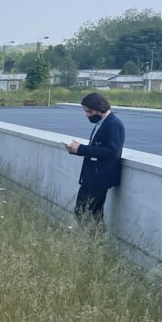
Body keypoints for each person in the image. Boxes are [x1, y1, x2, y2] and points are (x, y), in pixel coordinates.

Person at [65, 92, 124, 224]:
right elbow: (99, 149)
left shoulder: (113, 124)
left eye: (89, 111)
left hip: (99, 178)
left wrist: (81, 149)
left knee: (83, 212)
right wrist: (77, 149)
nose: (87, 115)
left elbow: (111, 152)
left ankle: (88, 240)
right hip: (92, 176)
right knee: (94, 215)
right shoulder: (103, 123)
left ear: (99, 109)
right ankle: (95, 240)